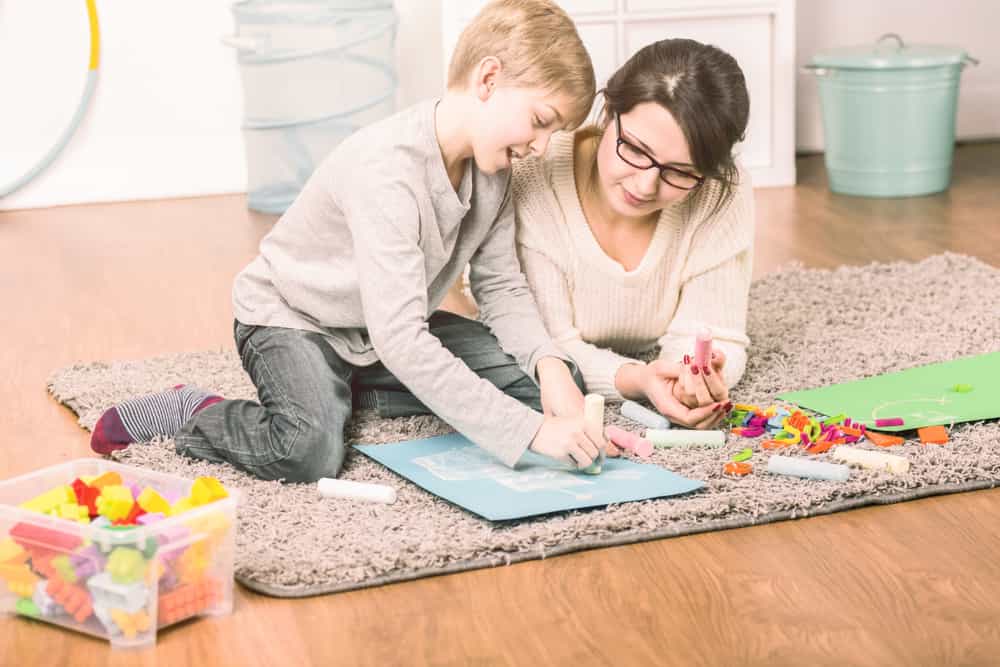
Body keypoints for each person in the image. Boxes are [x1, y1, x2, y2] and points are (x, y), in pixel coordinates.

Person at [89, 0, 605, 481]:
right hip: (294, 321)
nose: (539, 148)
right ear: (488, 79)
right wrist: (530, 433)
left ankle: (346, 392)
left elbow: (502, 287)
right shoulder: (388, 172)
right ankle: (193, 411)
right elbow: (403, 338)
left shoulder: (495, 174)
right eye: (540, 122)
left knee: (552, 389)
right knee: (307, 450)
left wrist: (549, 364)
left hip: (376, 333)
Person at [473, 38, 754, 450]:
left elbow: (718, 335)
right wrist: (640, 379)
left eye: (680, 172)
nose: (645, 185)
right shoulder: (536, 174)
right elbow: (550, 348)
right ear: (609, 113)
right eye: (635, 150)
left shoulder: (719, 192)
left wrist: (689, 381)